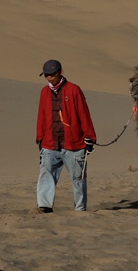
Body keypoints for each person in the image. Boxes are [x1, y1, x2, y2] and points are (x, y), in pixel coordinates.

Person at [35, 60, 96, 213]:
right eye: (46, 75)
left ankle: (80, 209)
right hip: (50, 144)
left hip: (74, 144)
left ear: (60, 72)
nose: (49, 78)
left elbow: (84, 114)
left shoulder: (74, 90)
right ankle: (44, 207)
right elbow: (41, 115)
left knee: (78, 178)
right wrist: (40, 138)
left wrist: (90, 137)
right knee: (46, 175)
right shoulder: (44, 92)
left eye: (52, 74)